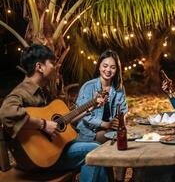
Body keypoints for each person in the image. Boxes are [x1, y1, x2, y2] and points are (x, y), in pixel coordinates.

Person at [0, 44, 108, 182]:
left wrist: (87, 110)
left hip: (55, 150)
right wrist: (42, 124)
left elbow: (61, 122)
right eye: (52, 63)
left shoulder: (43, 91)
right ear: (39, 67)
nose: (56, 67)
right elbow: (5, 113)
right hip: (39, 158)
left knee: (97, 147)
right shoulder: (22, 92)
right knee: (94, 151)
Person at [75, 49, 128, 182]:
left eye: (112, 67)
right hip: (88, 132)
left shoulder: (119, 88)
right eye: (105, 66)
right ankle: (114, 179)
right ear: (99, 66)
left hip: (110, 130)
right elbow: (84, 115)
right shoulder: (89, 87)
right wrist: (106, 124)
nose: (108, 70)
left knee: (124, 139)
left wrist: (121, 121)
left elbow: (124, 110)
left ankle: (118, 178)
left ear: (117, 69)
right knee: (114, 142)